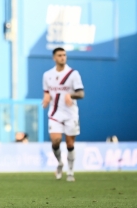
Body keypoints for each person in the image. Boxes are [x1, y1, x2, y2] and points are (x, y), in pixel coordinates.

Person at [42, 47, 84, 182]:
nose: (62, 57)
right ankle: (60, 163)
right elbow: (47, 92)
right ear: (54, 58)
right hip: (55, 113)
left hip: (71, 114)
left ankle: (70, 171)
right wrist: (46, 98)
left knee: (70, 144)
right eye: (59, 55)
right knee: (56, 140)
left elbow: (81, 93)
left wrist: (71, 95)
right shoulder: (47, 75)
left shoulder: (73, 74)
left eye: (64, 55)